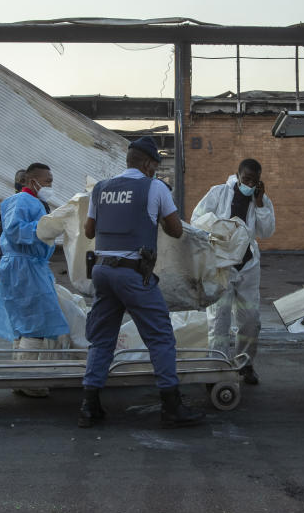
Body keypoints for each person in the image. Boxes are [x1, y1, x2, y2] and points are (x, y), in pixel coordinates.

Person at [78, 136, 204, 429]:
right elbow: (174, 231)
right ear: (148, 164)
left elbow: (88, 231)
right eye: (154, 167)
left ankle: (89, 405)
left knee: (102, 338)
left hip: (101, 271)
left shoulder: (101, 188)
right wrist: (157, 215)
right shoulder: (155, 187)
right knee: (160, 337)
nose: (155, 172)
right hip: (132, 274)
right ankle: (172, 406)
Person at [0, 162, 69, 397]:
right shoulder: (22, 201)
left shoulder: (28, 202)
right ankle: (26, 377)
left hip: (27, 266)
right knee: (35, 322)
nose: (50, 185)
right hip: (25, 268)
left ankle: (19, 375)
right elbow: (15, 230)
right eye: (48, 181)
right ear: (33, 181)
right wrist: (47, 227)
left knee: (24, 322)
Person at [191, 158, 275, 385]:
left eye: (254, 181)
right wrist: (219, 229)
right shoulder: (218, 193)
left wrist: (259, 203)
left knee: (250, 319)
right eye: (246, 179)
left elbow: (267, 231)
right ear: (237, 176)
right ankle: (215, 366)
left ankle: (245, 364)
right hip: (221, 266)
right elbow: (196, 218)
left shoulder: (261, 200)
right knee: (219, 320)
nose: (249, 183)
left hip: (248, 266)